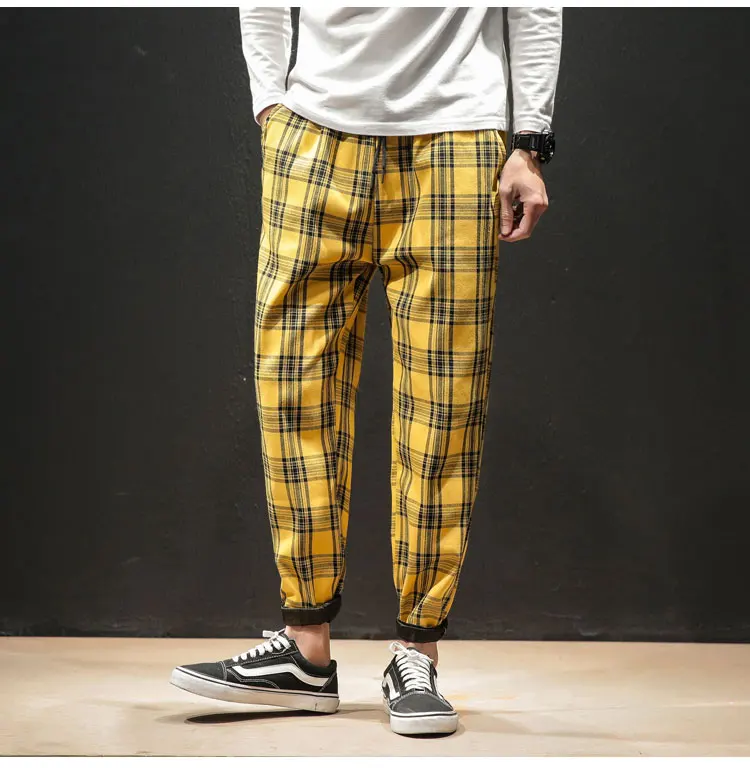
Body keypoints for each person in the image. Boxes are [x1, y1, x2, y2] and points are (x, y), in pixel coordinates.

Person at [171, 7, 562, 737]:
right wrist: (270, 104)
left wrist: (530, 140)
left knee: (444, 401)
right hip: (314, 131)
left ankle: (417, 653)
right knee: (293, 387)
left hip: (457, 136)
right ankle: (305, 650)